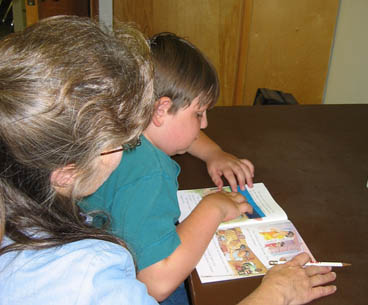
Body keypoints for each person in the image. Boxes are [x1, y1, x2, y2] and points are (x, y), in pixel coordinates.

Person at [0, 15, 336, 305]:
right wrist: (275, 294)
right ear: (66, 172)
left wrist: (210, 151)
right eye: (120, 137)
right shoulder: (91, 279)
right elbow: (155, 282)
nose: (132, 140)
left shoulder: (22, 190)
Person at [80, 33, 331, 305]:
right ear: (160, 110)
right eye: (199, 114)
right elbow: (155, 283)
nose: (204, 124)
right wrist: (213, 208)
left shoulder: (118, 126)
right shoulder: (149, 172)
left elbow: (176, 131)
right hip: (127, 283)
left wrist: (214, 153)